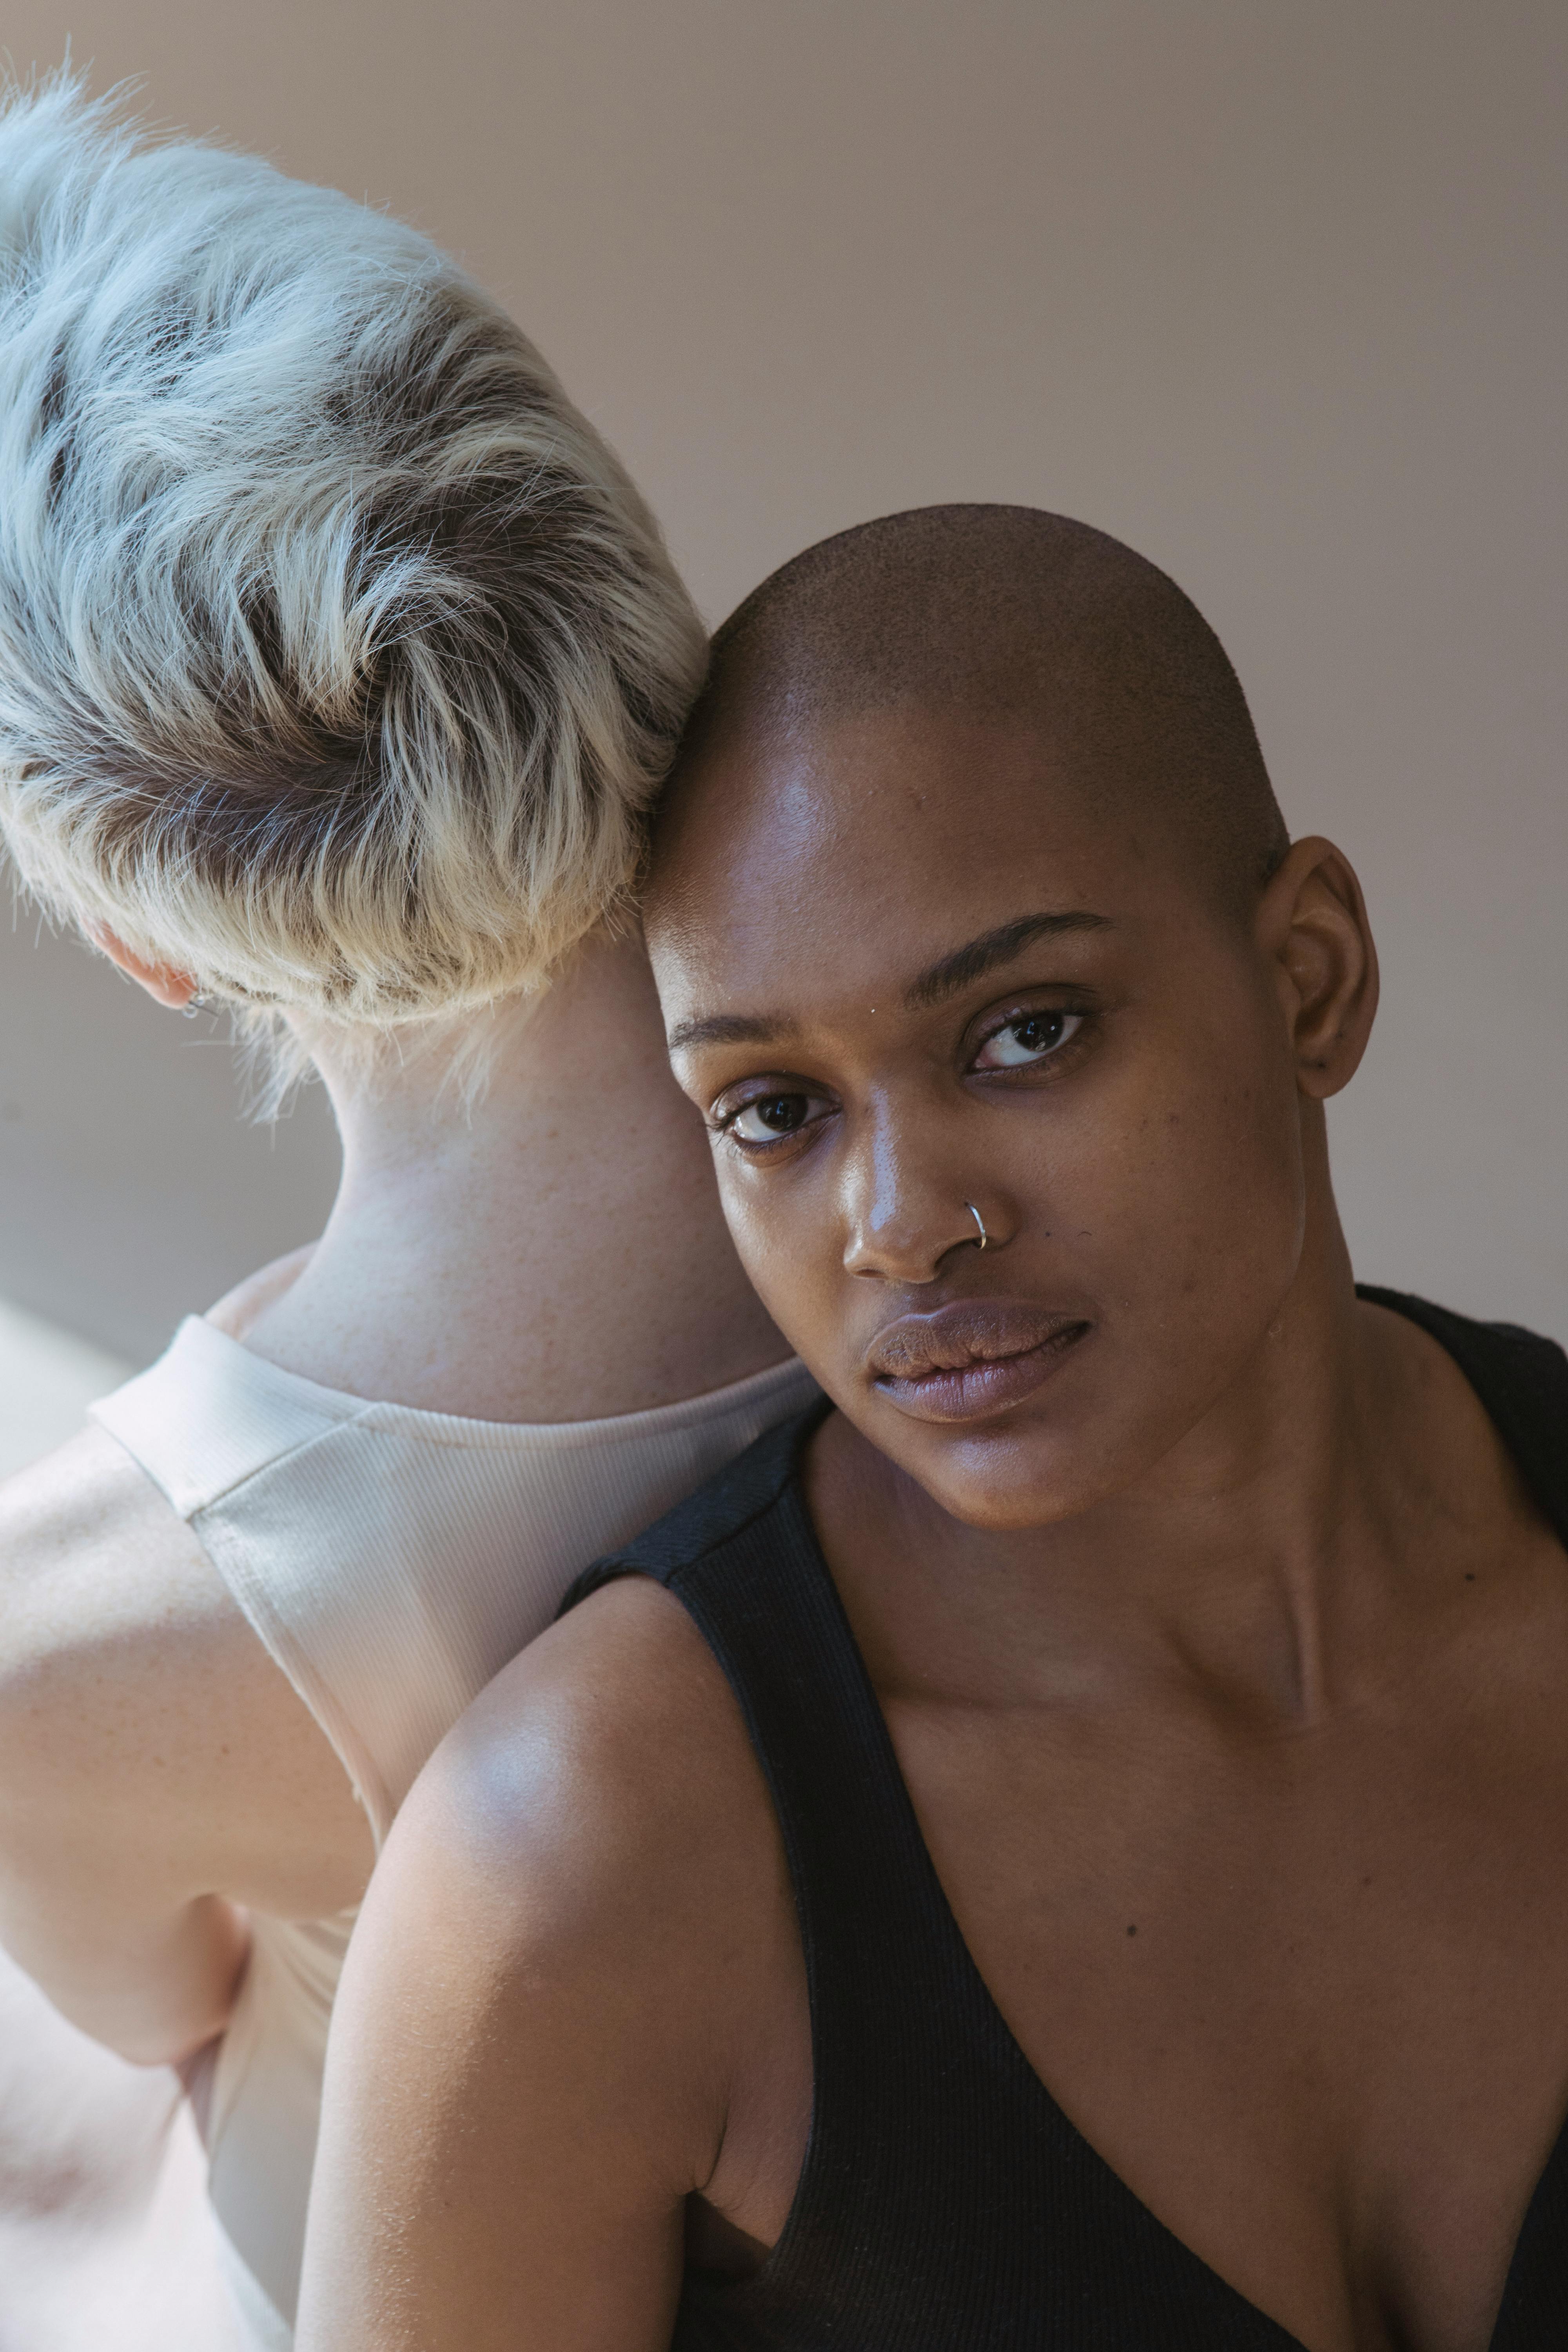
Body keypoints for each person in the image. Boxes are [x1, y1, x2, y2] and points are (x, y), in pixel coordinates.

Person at [298, 505, 1568, 2352]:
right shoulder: (584, 1868)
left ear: (1310, 980)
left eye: (1024, 1032)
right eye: (772, 1110)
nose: (899, 1222)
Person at [0, 78, 811, 2352]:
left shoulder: (100, 1611)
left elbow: (155, 2019)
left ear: (155, 945)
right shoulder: (970, 1220)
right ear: (614, 574)